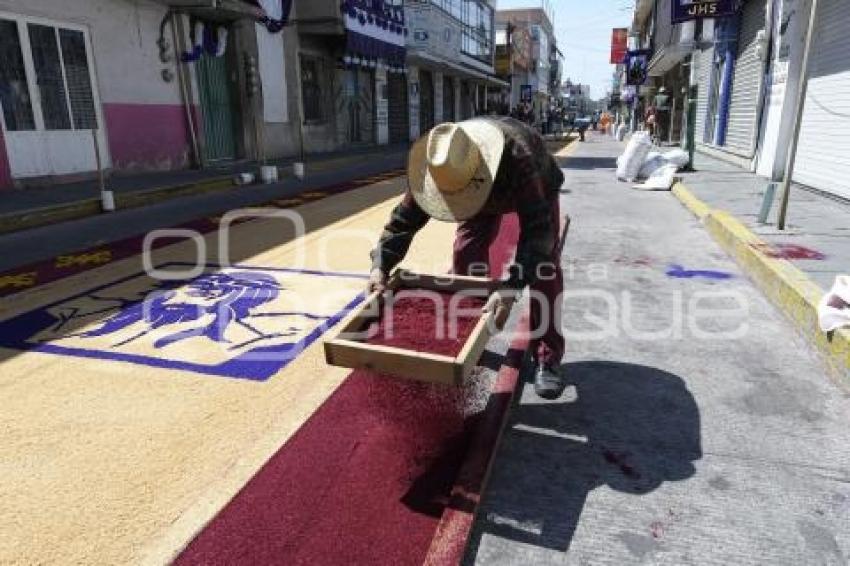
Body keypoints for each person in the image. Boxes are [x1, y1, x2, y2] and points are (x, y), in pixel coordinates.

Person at [367, 117, 568, 399]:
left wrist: (510, 288)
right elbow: (402, 222)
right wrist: (381, 265)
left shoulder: (518, 158)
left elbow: (538, 233)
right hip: (477, 190)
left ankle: (547, 357)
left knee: (544, 267)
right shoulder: (439, 165)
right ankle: (470, 334)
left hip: (533, 185)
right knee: (465, 254)